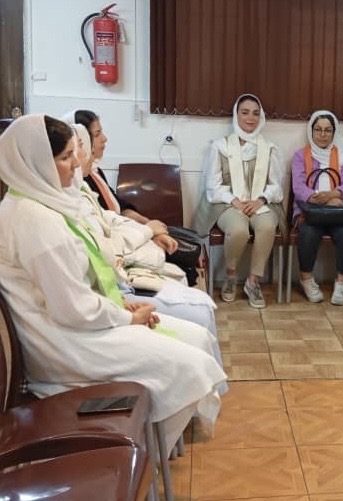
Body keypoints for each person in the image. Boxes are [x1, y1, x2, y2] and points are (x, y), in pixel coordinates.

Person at [0, 114, 227, 451]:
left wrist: (120, 305)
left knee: (197, 339)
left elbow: (77, 287)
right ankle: (145, 455)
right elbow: (73, 309)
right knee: (191, 365)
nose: (76, 163)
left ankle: (153, 445)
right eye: (65, 156)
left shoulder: (41, 203)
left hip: (80, 322)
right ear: (34, 162)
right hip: (65, 344)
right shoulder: (35, 221)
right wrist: (126, 317)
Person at [70, 123, 223, 366]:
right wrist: (148, 232)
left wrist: (150, 229)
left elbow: (113, 216)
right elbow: (105, 248)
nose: (77, 159)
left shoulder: (83, 186)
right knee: (198, 317)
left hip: (117, 289)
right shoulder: (56, 210)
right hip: (111, 300)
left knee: (200, 305)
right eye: (73, 150)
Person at [194, 94, 287, 308]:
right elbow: (213, 185)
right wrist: (234, 200)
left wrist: (261, 199)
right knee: (238, 230)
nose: (250, 118)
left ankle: (253, 282)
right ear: (236, 115)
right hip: (227, 203)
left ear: (261, 117)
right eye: (245, 112)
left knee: (267, 227)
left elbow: (276, 185)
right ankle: (230, 275)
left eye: (255, 113)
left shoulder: (269, 148)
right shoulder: (220, 146)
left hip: (260, 203)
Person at [291, 110, 343, 305]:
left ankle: (341, 283)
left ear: (333, 132)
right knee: (308, 233)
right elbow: (299, 188)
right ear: (311, 131)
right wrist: (327, 200)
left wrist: (332, 195)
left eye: (328, 130)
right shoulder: (300, 155)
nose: (322, 134)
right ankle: (307, 280)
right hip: (309, 212)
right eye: (318, 129)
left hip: (338, 213)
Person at [69, 109, 153, 224]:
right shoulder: (79, 180)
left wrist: (144, 222)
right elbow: (103, 219)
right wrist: (146, 228)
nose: (104, 138)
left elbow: (117, 204)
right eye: (97, 134)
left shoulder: (95, 171)